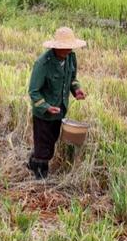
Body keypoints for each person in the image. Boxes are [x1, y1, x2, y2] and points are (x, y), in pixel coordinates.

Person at [27, 27, 87, 179]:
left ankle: (32, 164)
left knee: (50, 142)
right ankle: (40, 178)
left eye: (70, 47)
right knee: (43, 149)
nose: (68, 50)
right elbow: (33, 91)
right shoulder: (43, 64)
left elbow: (72, 78)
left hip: (60, 111)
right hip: (44, 114)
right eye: (64, 48)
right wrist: (46, 107)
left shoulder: (70, 58)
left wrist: (77, 90)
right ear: (56, 47)